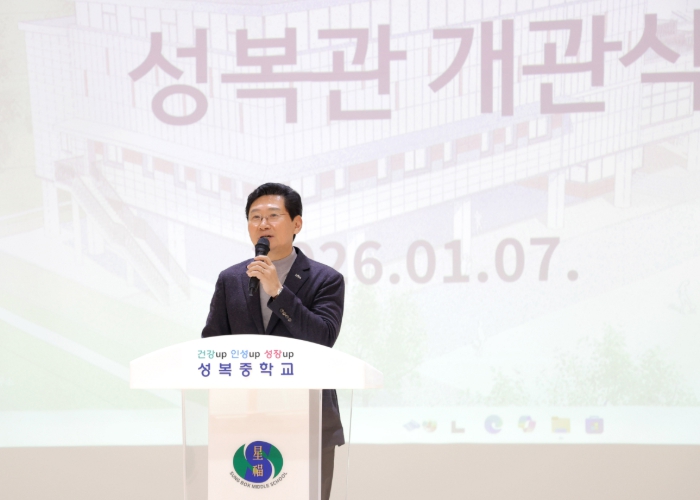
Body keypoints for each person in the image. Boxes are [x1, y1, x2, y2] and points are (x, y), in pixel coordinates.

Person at [201, 182, 344, 499]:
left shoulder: (326, 279)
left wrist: (278, 292)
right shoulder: (231, 279)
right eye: (255, 217)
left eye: (273, 215)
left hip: (308, 421)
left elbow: (322, 339)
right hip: (242, 420)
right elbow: (212, 345)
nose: (263, 224)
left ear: (297, 224)